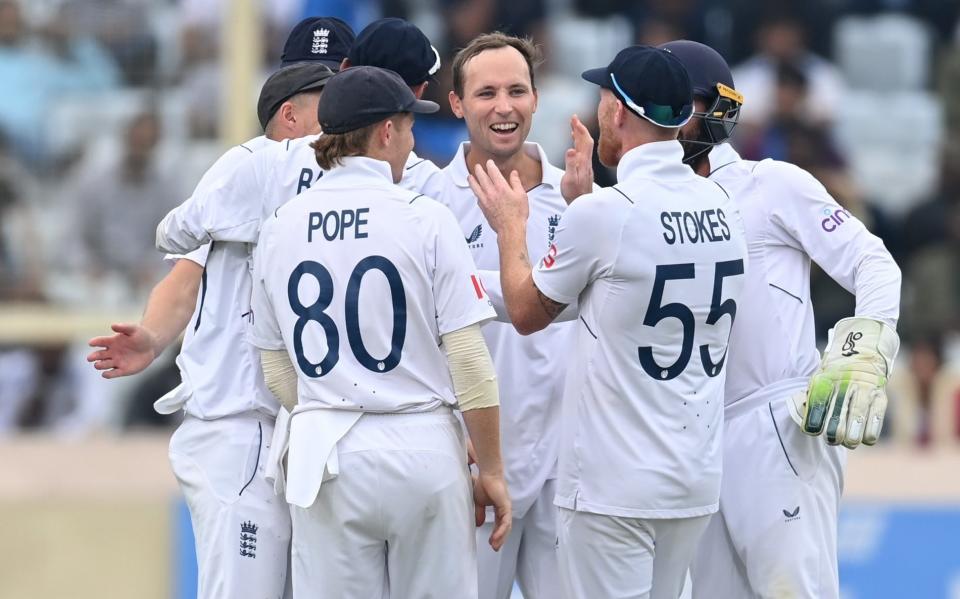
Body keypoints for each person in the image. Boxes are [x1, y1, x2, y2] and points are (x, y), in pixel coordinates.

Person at [469, 45, 749, 599]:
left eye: (602, 98)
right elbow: (615, 288)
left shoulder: (607, 213)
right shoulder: (722, 203)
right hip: (692, 479)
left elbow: (528, 312)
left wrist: (510, 225)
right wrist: (583, 205)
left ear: (618, 112)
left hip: (613, 486)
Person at [248, 65, 510, 598]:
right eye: (409, 127)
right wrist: (493, 469)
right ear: (386, 131)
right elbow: (469, 361)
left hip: (325, 452)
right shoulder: (426, 217)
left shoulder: (279, 225)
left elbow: (275, 366)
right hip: (420, 442)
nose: (412, 141)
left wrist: (331, 402)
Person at [86, 59, 336, 599]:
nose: (340, 113)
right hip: (239, 424)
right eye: (326, 99)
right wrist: (153, 336)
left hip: (298, 433)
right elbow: (180, 266)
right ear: (289, 117)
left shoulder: (335, 185)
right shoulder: (251, 170)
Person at [660, 40, 901, 599]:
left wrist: (863, 349)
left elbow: (872, 262)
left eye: (679, 104)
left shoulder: (770, 184)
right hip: (693, 440)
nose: (662, 119)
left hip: (776, 423)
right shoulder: (642, 206)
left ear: (716, 110)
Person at [433, 32, 575, 599]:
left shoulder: (581, 195)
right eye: (486, 92)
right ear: (457, 104)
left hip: (569, 460)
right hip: (473, 461)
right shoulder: (428, 201)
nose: (504, 107)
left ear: (537, 99)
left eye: (517, 90)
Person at [155, 17, 443, 256]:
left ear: (345, 74)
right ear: (417, 94)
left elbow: (173, 234)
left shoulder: (269, 162)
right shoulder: (424, 180)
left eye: (326, 87)